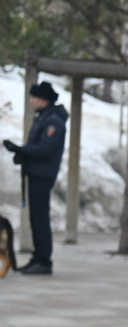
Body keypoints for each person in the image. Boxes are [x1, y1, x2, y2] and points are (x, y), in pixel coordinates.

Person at [3, 81, 67, 276]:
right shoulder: (44, 118)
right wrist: (23, 154)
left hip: (43, 175)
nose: (31, 101)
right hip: (37, 173)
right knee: (35, 218)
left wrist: (22, 150)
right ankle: (38, 257)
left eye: (34, 97)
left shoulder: (53, 121)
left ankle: (44, 260)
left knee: (40, 219)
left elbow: (46, 149)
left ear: (43, 99)